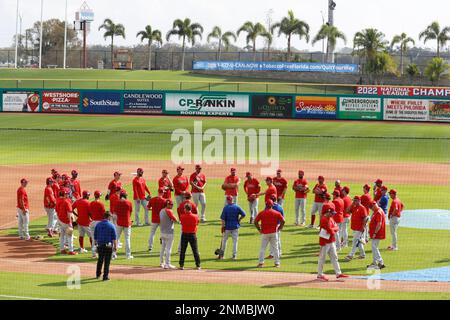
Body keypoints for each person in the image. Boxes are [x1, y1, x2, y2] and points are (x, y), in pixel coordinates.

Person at [317, 209, 349, 282]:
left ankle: (338, 273)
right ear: (328, 212)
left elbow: (336, 228)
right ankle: (320, 274)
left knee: (334, 257)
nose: (333, 215)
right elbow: (330, 231)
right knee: (322, 258)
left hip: (331, 241)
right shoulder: (324, 220)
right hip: (324, 242)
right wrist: (334, 229)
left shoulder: (331, 218)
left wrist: (333, 229)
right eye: (332, 213)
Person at [254, 200, 285, 268]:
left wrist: (259, 229)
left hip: (264, 233)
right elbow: (283, 221)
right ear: (272, 205)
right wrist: (279, 228)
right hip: (274, 233)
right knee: (275, 248)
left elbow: (255, 221)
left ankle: (261, 263)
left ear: (266, 205)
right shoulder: (276, 213)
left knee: (262, 248)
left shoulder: (262, 213)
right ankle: (277, 263)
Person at [219, 195, 246, 260]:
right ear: (232, 199)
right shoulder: (237, 207)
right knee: (235, 242)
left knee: (224, 241)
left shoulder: (226, 208)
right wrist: (239, 219)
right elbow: (244, 214)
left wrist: (223, 226)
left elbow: (223, 219)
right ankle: (234, 256)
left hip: (227, 227)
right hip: (235, 226)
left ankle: (222, 256)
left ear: (228, 200)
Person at [94, 212, 117, 281]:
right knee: (107, 262)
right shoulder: (111, 225)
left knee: (100, 260)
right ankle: (105, 276)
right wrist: (115, 246)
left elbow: (95, 236)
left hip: (100, 245)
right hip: (108, 246)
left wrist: (95, 245)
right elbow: (114, 238)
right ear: (109, 217)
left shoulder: (98, 224)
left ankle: (98, 274)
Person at [345, 196, 369, 261]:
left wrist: (363, 227)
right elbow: (347, 211)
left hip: (359, 228)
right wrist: (352, 204)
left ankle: (351, 255)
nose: (354, 201)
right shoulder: (354, 206)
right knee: (359, 242)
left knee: (354, 241)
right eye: (354, 200)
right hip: (355, 227)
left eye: (355, 200)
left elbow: (366, 218)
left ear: (359, 200)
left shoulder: (362, 208)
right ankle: (362, 255)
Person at [179, 203, 201, 270]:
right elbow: (197, 223)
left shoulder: (182, 216)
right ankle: (198, 265)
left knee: (183, 250)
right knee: (195, 250)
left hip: (184, 234)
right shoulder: (196, 216)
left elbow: (182, 223)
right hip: (192, 234)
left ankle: (181, 265)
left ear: (185, 209)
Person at [56, 188, 77, 255]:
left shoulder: (58, 200)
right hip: (66, 221)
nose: (68, 194)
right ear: (64, 194)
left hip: (59, 220)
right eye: (67, 193)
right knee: (70, 235)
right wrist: (70, 222)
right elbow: (69, 213)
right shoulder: (66, 202)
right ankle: (71, 250)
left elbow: (56, 211)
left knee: (62, 235)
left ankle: (62, 249)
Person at [159, 200, 178, 269]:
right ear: (167, 205)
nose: (172, 206)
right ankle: (167, 264)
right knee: (168, 249)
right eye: (171, 204)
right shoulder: (169, 211)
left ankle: (161, 263)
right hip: (169, 233)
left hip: (162, 232)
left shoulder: (161, 211)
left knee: (162, 248)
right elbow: (175, 219)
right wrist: (173, 220)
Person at [115, 191, 134, 259]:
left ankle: (114, 254)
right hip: (127, 223)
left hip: (119, 223)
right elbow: (130, 212)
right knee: (127, 239)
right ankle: (128, 255)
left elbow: (115, 212)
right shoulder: (129, 202)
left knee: (116, 238)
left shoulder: (117, 202)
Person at [368, 201, 386, 269]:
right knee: (374, 247)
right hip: (376, 233)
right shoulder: (378, 210)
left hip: (377, 233)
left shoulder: (378, 212)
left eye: (371, 207)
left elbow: (379, 224)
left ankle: (381, 262)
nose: (371, 209)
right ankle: (374, 263)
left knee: (374, 247)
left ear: (374, 205)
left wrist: (375, 233)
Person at [89, 190, 106, 258]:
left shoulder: (91, 203)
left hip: (92, 222)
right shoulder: (101, 204)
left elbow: (90, 213)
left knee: (94, 239)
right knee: (100, 239)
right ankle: (100, 253)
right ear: (99, 196)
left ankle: (94, 254)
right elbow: (104, 214)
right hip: (99, 223)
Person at [268, 194, 284, 259]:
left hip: (272, 225)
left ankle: (272, 254)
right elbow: (282, 217)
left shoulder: (270, 207)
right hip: (278, 224)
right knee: (277, 240)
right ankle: (278, 253)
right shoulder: (280, 207)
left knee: (271, 240)